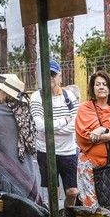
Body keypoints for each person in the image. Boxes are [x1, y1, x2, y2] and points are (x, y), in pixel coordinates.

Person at [0, 72, 44, 206]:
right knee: (24, 208)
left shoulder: (0, 111)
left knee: (6, 208)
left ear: (6, 93)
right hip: (26, 168)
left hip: (4, 177)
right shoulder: (23, 109)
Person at [75, 70, 110, 210]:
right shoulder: (84, 108)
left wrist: (102, 131)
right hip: (89, 165)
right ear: (92, 88)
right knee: (91, 209)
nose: (101, 87)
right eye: (97, 84)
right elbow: (85, 136)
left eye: (105, 84)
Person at [28, 61, 80, 208]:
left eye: (53, 74)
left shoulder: (68, 96)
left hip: (68, 150)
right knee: (53, 191)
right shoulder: (36, 97)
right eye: (46, 75)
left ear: (59, 77)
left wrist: (51, 128)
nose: (50, 78)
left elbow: (75, 124)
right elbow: (39, 125)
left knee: (72, 191)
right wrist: (63, 120)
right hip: (45, 150)